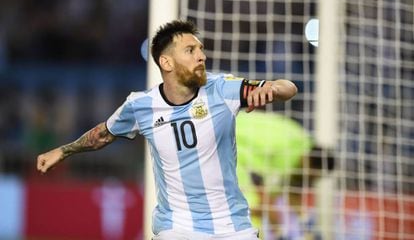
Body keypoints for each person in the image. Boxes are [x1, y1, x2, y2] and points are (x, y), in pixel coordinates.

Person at [36, 20, 298, 240]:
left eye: (201, 49)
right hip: (176, 228)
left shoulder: (222, 89)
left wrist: (272, 88)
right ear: (167, 63)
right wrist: (63, 150)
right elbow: (103, 134)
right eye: (190, 50)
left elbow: (289, 88)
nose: (201, 56)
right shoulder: (141, 105)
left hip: (232, 227)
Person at [236, 111, 335, 239]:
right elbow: (261, 186)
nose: (310, 181)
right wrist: (278, 228)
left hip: (237, 132)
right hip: (234, 143)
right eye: (313, 177)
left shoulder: (301, 145)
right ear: (310, 163)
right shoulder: (286, 151)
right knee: (249, 209)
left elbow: (292, 190)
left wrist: (305, 224)